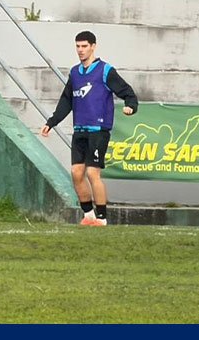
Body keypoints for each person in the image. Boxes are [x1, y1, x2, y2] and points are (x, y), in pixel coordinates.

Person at [40, 31, 139, 226]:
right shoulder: (75, 72)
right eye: (78, 46)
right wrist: (51, 122)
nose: (80, 50)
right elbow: (66, 101)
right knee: (76, 173)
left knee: (93, 173)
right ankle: (89, 215)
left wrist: (131, 106)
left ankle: (102, 218)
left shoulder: (105, 70)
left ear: (93, 46)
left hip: (98, 130)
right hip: (80, 130)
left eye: (84, 46)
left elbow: (128, 92)